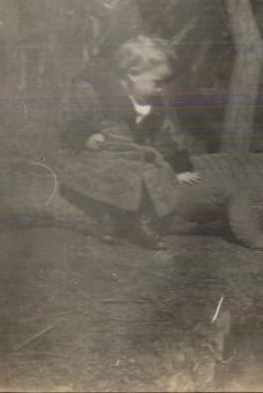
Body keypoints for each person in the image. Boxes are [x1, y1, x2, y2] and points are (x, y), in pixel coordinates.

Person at [56, 35, 202, 250]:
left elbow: (164, 135)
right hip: (104, 150)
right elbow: (72, 119)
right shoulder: (96, 92)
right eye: (157, 82)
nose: (161, 89)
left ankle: (145, 223)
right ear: (133, 74)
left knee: (156, 176)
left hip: (138, 155)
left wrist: (178, 166)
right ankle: (106, 218)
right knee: (108, 174)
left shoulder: (154, 104)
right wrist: (84, 136)